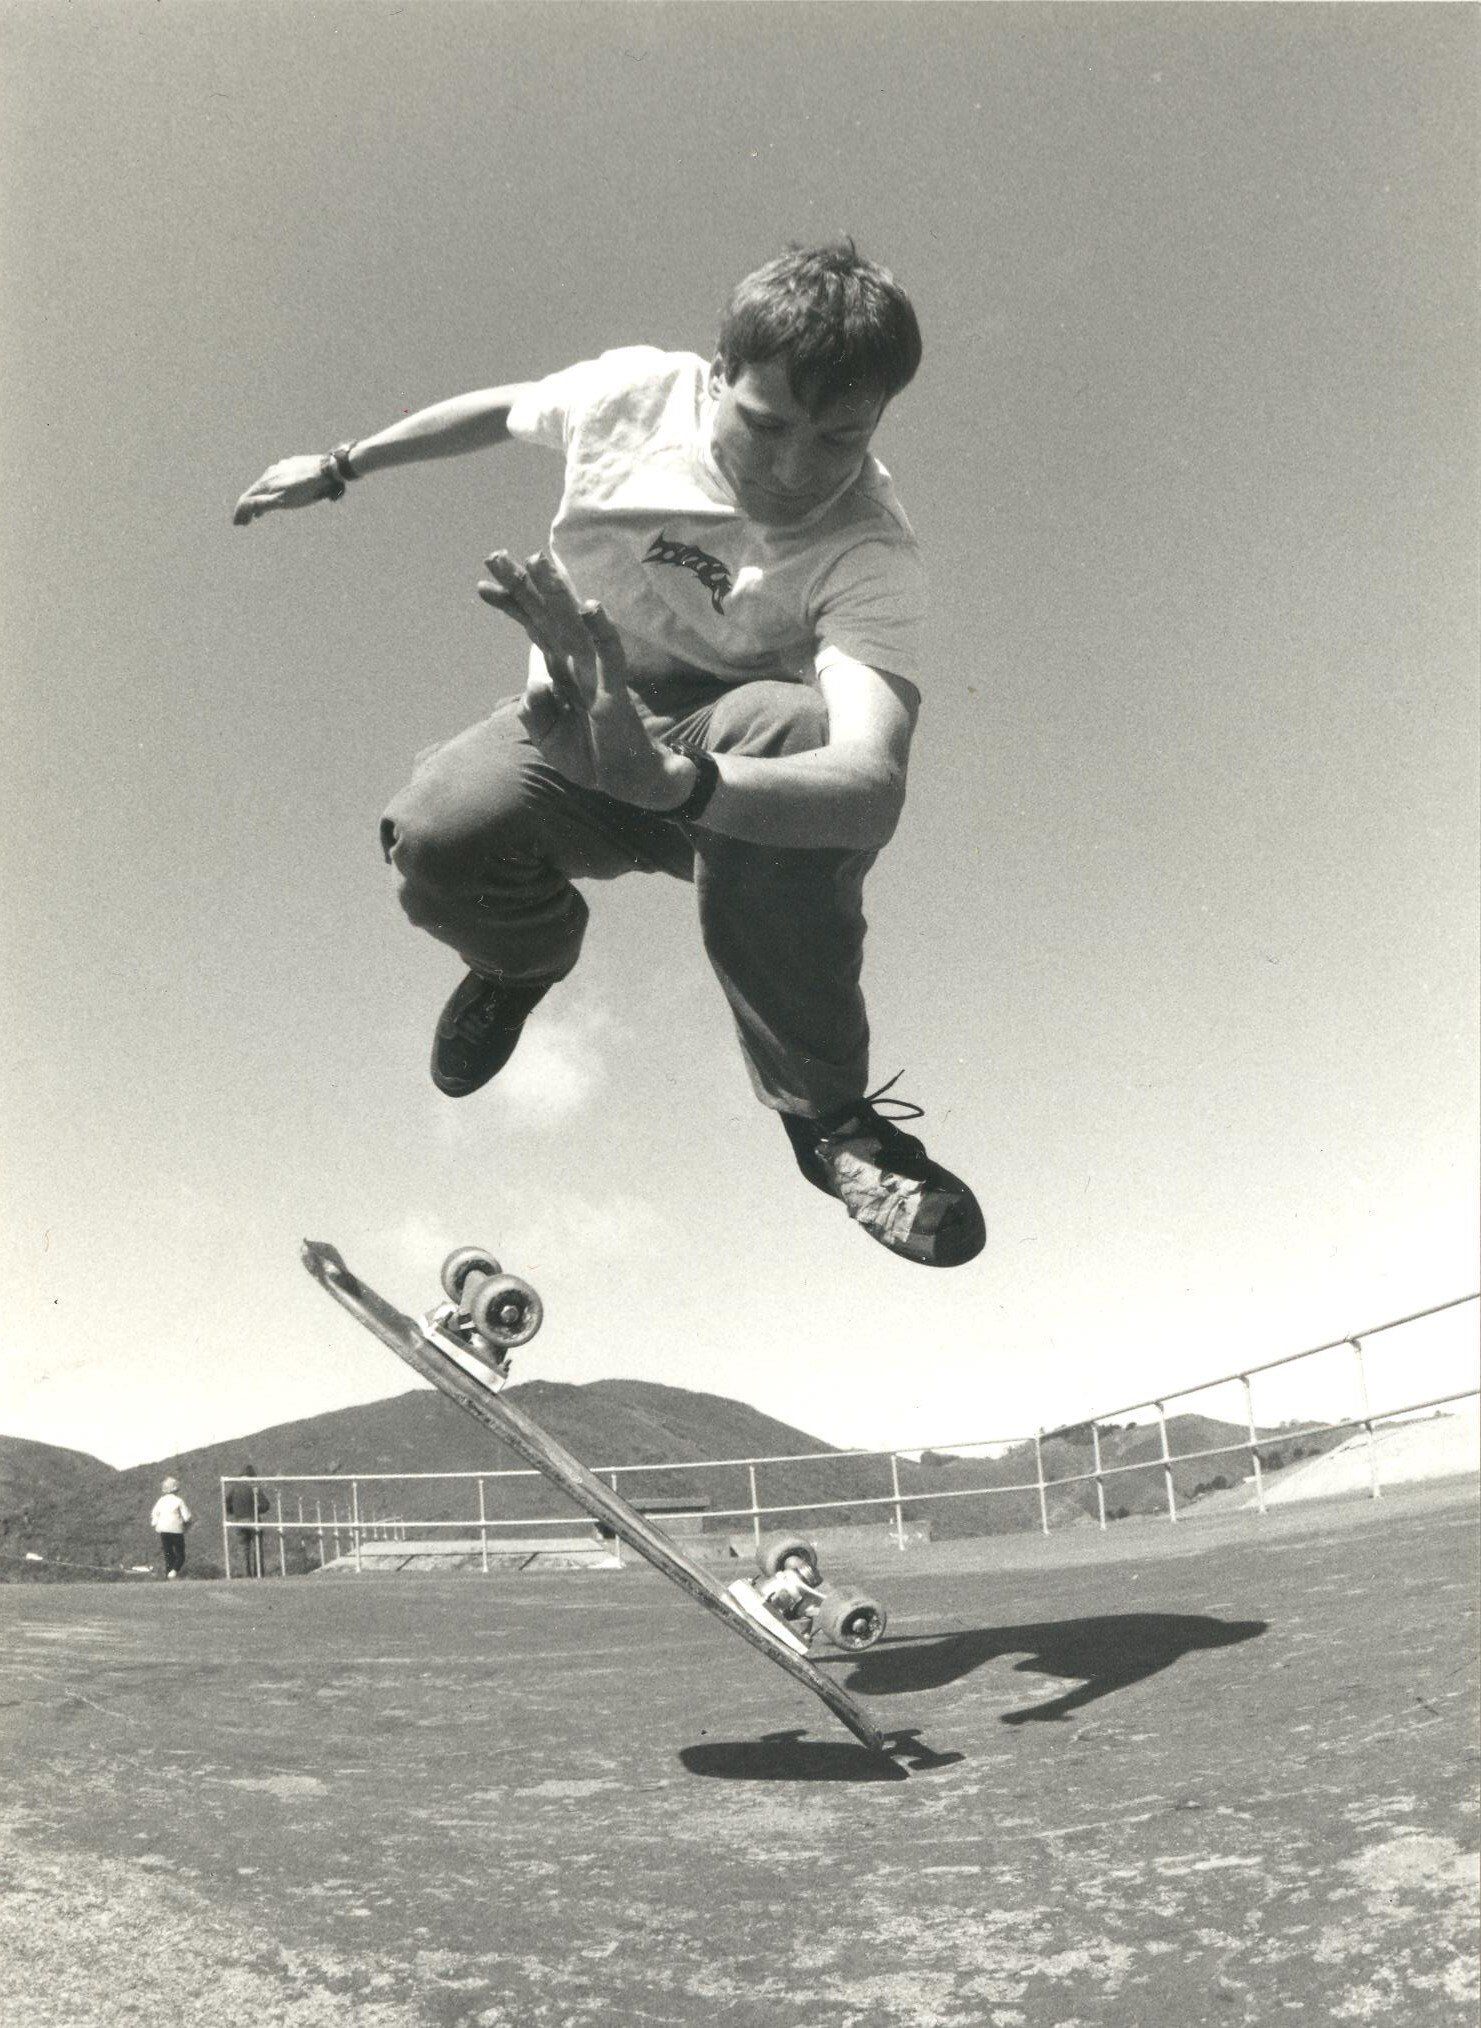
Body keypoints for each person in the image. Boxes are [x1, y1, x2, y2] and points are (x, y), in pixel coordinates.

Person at [233, 242, 984, 1268]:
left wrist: (683, 782)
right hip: (583, 729)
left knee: (794, 727)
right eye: (761, 425)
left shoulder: (867, 551)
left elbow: (867, 784)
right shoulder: (633, 398)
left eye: (838, 440)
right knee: (434, 831)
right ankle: (520, 958)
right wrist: (339, 465)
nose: (791, 470)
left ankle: (829, 1121)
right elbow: (500, 409)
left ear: (877, 423)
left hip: (720, 776)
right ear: (713, 377)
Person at [224, 1463, 273, 1578]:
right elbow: (266, 1505)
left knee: (243, 1549)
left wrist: (234, 1511)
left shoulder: (234, 1489)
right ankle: (258, 1574)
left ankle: (246, 1575)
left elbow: (226, 1504)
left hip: (239, 1521)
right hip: (253, 1520)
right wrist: (256, 1510)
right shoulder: (253, 1488)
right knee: (257, 1549)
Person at [149, 1477, 192, 1579]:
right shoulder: (179, 1501)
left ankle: (169, 1576)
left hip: (163, 1530)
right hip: (177, 1530)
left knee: (168, 1555)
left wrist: (155, 1523)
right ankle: (174, 1571)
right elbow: (187, 1517)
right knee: (180, 1555)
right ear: (176, 1489)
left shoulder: (161, 1501)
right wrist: (187, 1526)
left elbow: (154, 1515)